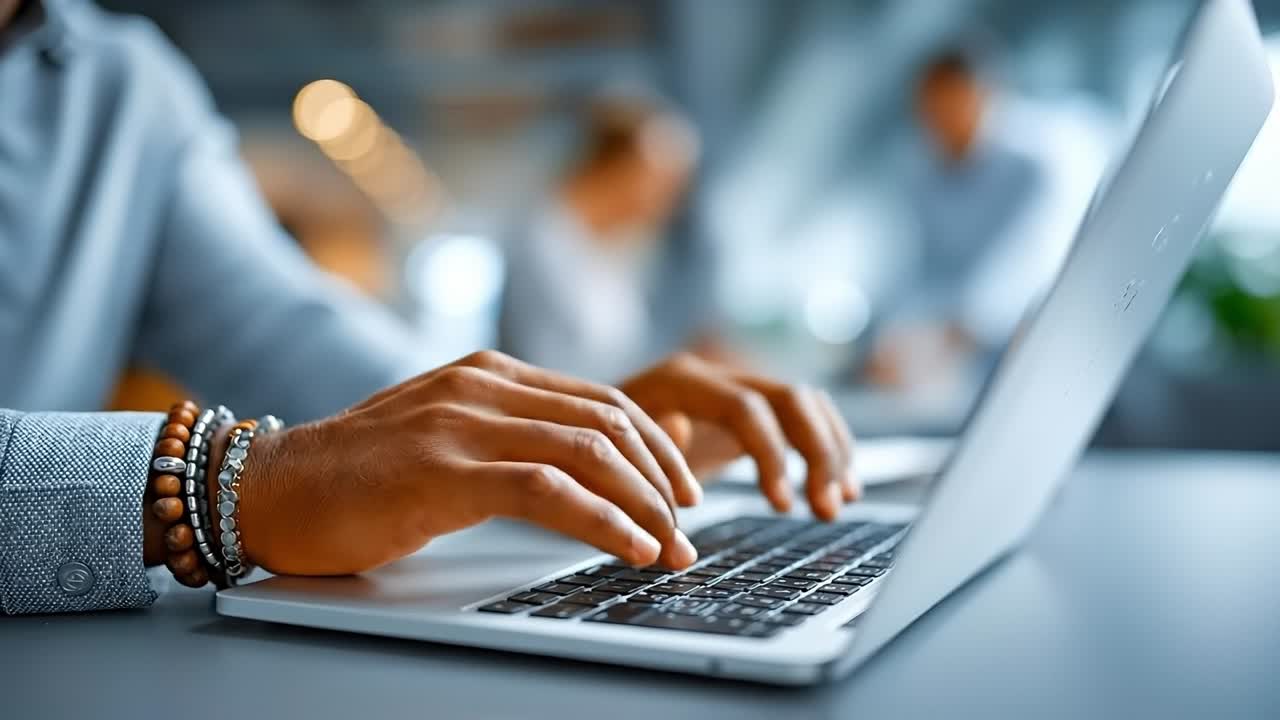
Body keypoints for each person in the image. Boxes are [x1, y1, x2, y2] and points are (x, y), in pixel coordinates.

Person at [0, 0, 857, 615]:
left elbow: (283, 328)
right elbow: (270, 456)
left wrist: (551, 431)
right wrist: (231, 487)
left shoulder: (122, 84)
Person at [865, 47, 1064, 390]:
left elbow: (1018, 263)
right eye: (929, 108)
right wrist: (891, 335)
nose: (938, 120)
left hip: (1022, 330)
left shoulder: (1032, 165)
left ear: (985, 96)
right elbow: (916, 263)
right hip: (947, 337)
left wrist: (951, 332)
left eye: (950, 104)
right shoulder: (916, 170)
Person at [499, 99, 700, 381]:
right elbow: (539, 365)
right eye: (665, 183)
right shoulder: (538, 242)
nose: (672, 202)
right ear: (623, 168)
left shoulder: (611, 252)